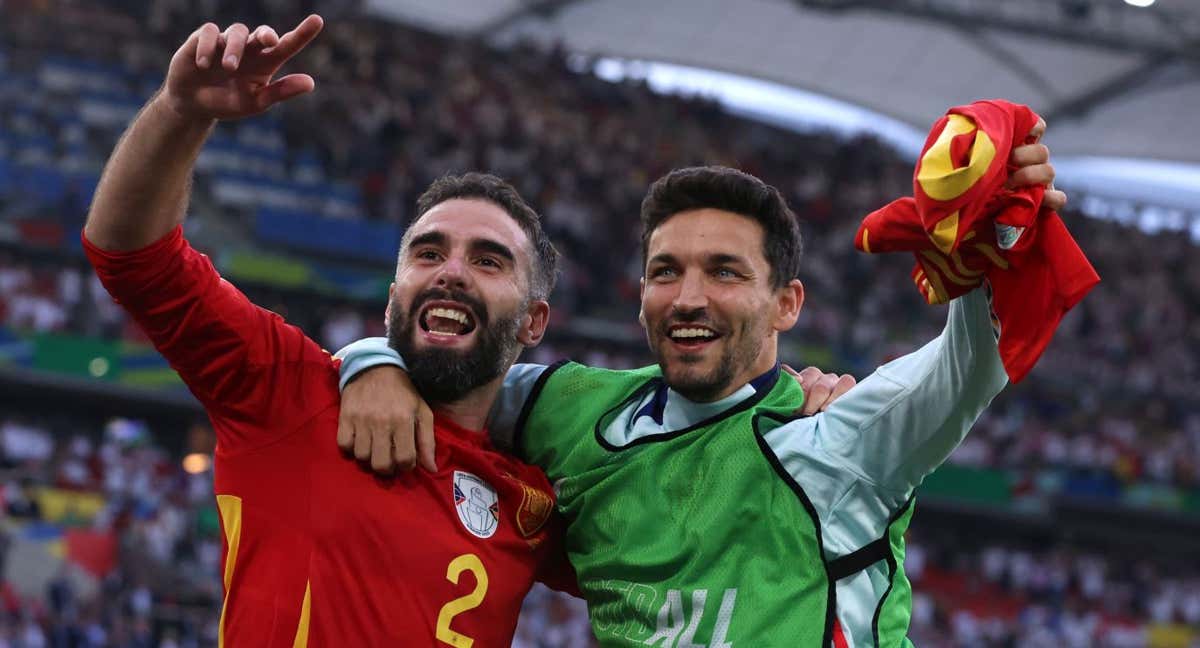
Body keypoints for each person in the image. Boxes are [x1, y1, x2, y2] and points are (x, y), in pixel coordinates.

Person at [81, 14, 849, 646]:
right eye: (428, 252)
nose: (450, 271)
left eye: (488, 260)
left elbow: (690, 541)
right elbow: (133, 257)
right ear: (395, 293)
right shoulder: (290, 395)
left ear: (535, 321)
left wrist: (791, 401)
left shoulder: (540, 502)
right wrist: (182, 115)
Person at [338, 153, 1066, 644]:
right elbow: (450, 369)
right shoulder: (564, 408)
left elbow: (973, 363)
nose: (688, 299)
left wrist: (991, 252)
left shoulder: (840, 439)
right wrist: (373, 363)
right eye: (666, 271)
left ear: (786, 304)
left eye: (723, 273)